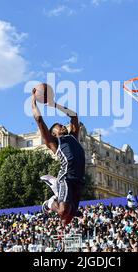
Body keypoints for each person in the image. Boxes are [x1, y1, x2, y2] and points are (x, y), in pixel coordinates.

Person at [31, 87, 85, 225]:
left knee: (66, 219)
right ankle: (49, 203)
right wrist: (33, 100)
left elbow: (73, 115)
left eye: (62, 125)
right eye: (59, 126)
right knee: (62, 212)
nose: (63, 126)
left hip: (78, 180)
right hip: (66, 178)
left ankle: (56, 193)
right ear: (54, 134)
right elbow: (38, 119)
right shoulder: (54, 142)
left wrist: (53, 104)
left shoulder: (73, 136)